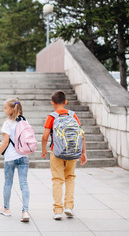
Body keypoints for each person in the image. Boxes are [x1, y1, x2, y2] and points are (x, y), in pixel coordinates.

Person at [41, 90, 87, 220]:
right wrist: (83, 152)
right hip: (73, 152)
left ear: (52, 102)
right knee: (70, 177)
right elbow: (81, 135)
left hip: (56, 152)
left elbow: (45, 136)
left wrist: (44, 149)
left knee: (57, 180)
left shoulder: (52, 116)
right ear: (66, 102)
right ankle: (69, 207)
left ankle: (58, 210)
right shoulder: (73, 115)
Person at [0, 97, 30, 222]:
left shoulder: (7, 123)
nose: (4, 110)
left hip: (10, 157)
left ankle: (6, 208)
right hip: (23, 156)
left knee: (8, 183)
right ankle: (25, 211)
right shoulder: (25, 121)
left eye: (5, 108)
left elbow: (5, 143)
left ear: (11, 109)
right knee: (24, 183)